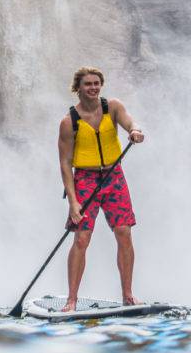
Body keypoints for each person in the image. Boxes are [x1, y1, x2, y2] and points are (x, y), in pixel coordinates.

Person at [58, 67, 144, 312]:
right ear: (78, 87)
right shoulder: (68, 121)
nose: (93, 88)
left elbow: (130, 122)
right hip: (85, 179)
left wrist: (135, 131)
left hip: (113, 177)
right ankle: (71, 300)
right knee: (82, 238)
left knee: (124, 233)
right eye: (88, 84)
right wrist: (73, 202)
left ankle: (128, 295)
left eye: (97, 83)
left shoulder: (112, 107)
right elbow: (65, 164)